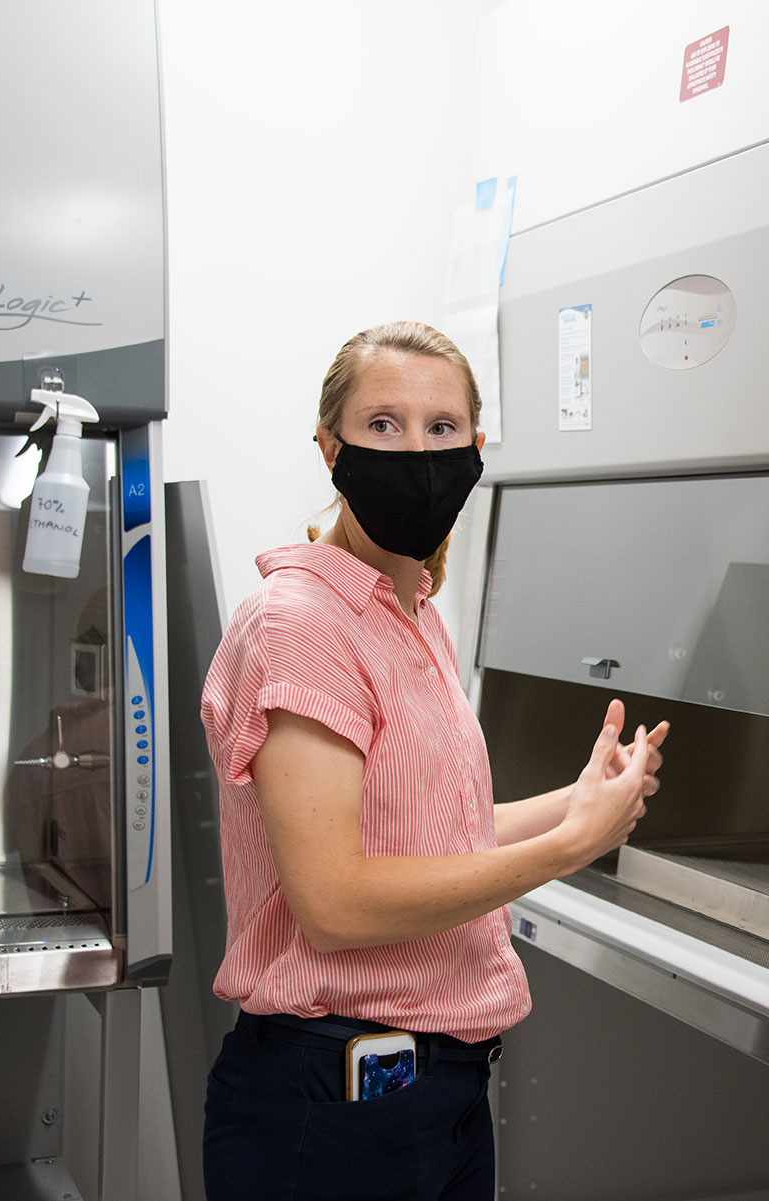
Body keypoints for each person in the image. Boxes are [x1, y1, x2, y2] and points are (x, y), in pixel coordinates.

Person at [199, 321, 669, 1201]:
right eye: (383, 424)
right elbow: (335, 901)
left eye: (441, 427)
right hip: (333, 1107)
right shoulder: (300, 623)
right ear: (329, 446)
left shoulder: (411, 614)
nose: (416, 449)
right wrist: (569, 849)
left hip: (436, 1094)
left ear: (475, 447)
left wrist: (577, 801)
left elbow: (426, 834)